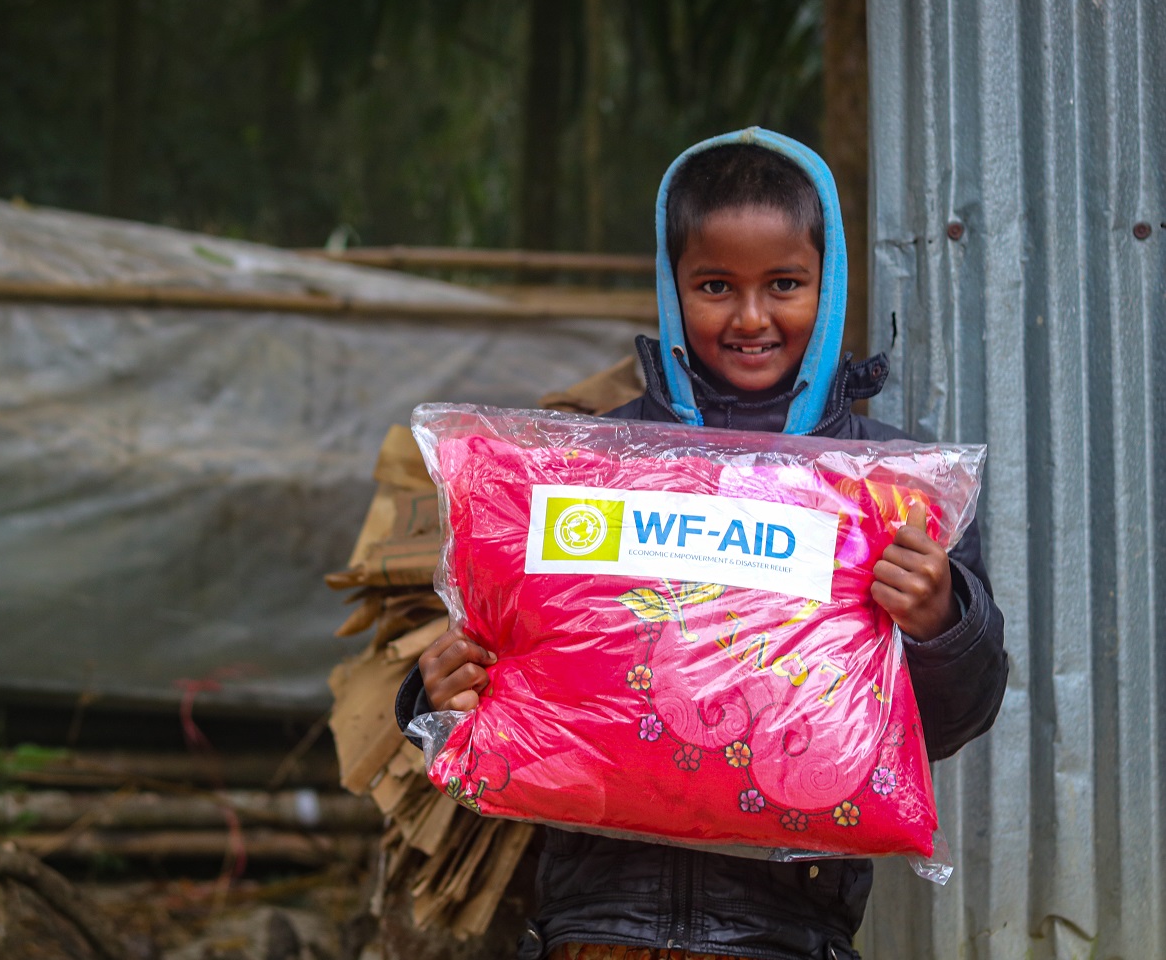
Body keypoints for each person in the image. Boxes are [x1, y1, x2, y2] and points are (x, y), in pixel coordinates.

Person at [395, 127, 1009, 960]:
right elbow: (521, 660)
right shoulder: (587, 471)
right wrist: (435, 697)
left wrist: (942, 622)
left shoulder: (887, 493)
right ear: (671, 285)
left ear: (829, 285)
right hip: (594, 928)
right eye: (716, 285)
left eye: (784, 284)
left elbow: (952, 720)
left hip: (787, 932)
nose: (751, 317)